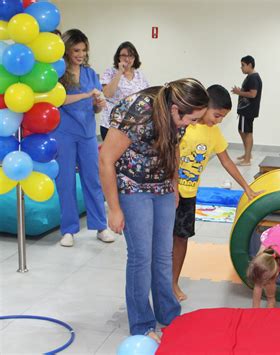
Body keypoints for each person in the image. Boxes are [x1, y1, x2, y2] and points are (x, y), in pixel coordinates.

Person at [99, 79, 209, 342]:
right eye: (191, 119)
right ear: (175, 109)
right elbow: (105, 159)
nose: (192, 124)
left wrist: (174, 185)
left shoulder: (179, 117)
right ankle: (142, 323)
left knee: (163, 254)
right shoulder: (137, 112)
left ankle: (169, 315)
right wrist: (114, 208)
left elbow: (174, 148)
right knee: (141, 257)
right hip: (132, 185)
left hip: (161, 185)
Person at [172, 85, 260, 301]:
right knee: (162, 240)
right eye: (217, 115)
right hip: (169, 191)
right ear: (204, 106)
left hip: (189, 194)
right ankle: (159, 281)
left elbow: (227, 161)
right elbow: (170, 154)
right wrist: (172, 186)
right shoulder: (186, 124)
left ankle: (173, 282)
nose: (219, 120)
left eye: (223, 117)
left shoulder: (214, 133)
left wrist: (246, 187)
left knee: (181, 239)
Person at [52, 29, 113, 247]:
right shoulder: (57, 73)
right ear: (67, 50)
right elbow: (58, 100)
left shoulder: (90, 73)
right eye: (76, 50)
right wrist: (88, 95)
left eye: (84, 50)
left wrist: (98, 104)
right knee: (65, 182)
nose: (81, 54)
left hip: (87, 134)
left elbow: (94, 108)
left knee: (93, 180)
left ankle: (100, 225)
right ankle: (68, 230)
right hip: (64, 134)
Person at [100, 41, 149, 140]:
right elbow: (108, 94)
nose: (127, 59)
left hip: (133, 125)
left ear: (135, 58)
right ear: (118, 57)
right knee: (112, 155)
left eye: (130, 56)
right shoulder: (110, 72)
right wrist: (120, 72)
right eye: (123, 55)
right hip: (112, 124)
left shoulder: (140, 75)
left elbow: (146, 97)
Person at [231, 55, 263, 166]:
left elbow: (253, 94)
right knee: (242, 130)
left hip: (248, 110)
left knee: (247, 133)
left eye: (243, 65)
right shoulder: (251, 76)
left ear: (250, 65)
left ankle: (247, 159)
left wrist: (239, 92)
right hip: (245, 110)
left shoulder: (253, 77)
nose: (241, 68)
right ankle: (247, 154)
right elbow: (249, 92)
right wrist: (241, 91)